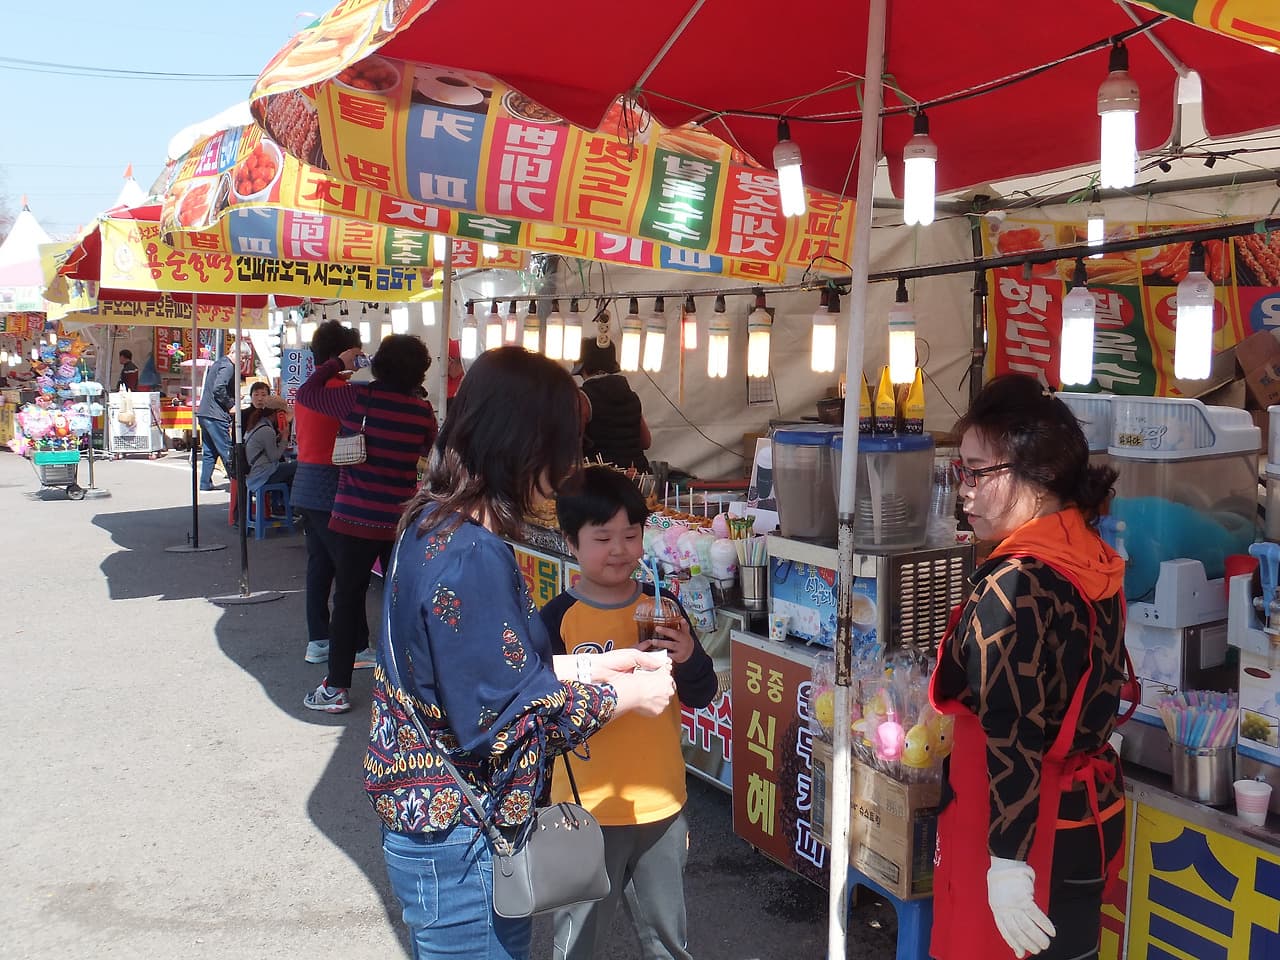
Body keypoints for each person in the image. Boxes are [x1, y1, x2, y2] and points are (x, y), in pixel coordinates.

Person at [366, 346, 677, 960]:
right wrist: (629, 693)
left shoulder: (431, 523)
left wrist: (588, 666)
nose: (565, 467)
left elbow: (478, 672)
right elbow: (510, 721)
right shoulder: (472, 554)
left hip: (431, 821)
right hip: (460, 837)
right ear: (527, 444)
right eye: (563, 443)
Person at [929, 374, 1127, 960]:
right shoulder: (1091, 554)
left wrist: (1009, 868)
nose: (963, 491)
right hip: (1080, 822)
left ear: (1036, 482)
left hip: (1016, 835)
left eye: (977, 472)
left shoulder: (1012, 584)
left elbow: (1012, 732)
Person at [541, 466, 717, 960]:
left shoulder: (665, 607)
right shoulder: (556, 620)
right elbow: (541, 713)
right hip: (583, 808)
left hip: (661, 801)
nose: (620, 549)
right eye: (603, 537)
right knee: (577, 942)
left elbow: (702, 693)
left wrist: (689, 657)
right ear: (571, 543)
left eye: (631, 535)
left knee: (667, 941)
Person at [297, 334, 438, 714]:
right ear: (419, 372)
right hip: (398, 522)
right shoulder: (421, 412)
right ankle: (407, 685)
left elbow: (306, 394)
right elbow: (431, 455)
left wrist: (337, 363)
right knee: (401, 600)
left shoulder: (357, 397)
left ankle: (337, 688)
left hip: (353, 519)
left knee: (347, 600)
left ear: (377, 364)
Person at [293, 321, 364, 665]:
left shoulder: (311, 390)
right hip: (332, 487)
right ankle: (358, 644)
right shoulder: (342, 391)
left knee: (320, 566)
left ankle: (319, 639)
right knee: (349, 570)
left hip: (305, 483)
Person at [574, 335, 651, 472]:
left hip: (604, 480)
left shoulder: (582, 398)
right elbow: (645, 442)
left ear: (583, 367)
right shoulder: (631, 395)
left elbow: (573, 448)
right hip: (638, 476)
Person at [196, 342, 240, 491]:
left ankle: (205, 483)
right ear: (235, 353)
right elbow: (219, 388)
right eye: (244, 358)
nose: (243, 361)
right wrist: (230, 405)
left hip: (204, 412)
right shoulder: (228, 366)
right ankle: (237, 484)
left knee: (210, 450)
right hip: (216, 415)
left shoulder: (218, 362)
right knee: (226, 449)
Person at [243, 401, 296, 497]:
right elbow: (274, 457)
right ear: (278, 414)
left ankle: (281, 504)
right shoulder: (267, 430)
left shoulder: (257, 425)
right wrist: (284, 437)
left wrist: (278, 439)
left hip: (255, 474)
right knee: (297, 466)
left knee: (289, 471)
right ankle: (289, 506)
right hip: (262, 475)